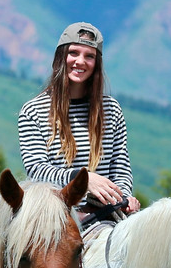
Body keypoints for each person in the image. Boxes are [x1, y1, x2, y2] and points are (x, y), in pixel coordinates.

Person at [18, 22, 140, 219]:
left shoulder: (111, 109)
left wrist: (123, 197)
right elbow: (37, 170)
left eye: (89, 56)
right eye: (74, 53)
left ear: (96, 63)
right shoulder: (33, 111)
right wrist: (82, 180)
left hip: (105, 214)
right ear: (61, 57)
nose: (80, 61)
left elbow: (120, 167)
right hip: (56, 217)